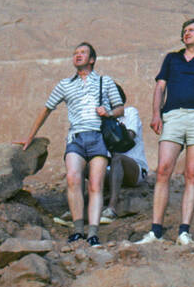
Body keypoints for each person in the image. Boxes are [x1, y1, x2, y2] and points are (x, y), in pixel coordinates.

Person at [19, 42, 124, 247]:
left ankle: (93, 233)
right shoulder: (65, 84)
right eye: (75, 53)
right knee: (73, 178)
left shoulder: (105, 81)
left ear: (92, 59)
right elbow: (47, 109)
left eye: (83, 53)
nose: (78, 55)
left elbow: (120, 108)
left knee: (95, 184)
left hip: (98, 137)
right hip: (76, 137)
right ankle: (77, 230)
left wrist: (108, 112)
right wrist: (30, 136)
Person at [136, 19, 194, 246]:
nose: (187, 33)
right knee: (163, 169)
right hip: (172, 115)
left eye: (191, 30)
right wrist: (156, 114)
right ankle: (155, 231)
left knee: (191, 173)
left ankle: (184, 231)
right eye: (184, 31)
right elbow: (160, 87)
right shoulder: (172, 58)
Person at [101, 83, 149, 220]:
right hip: (112, 169)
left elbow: (128, 140)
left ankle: (111, 208)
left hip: (135, 168)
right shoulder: (104, 121)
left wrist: (111, 128)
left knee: (118, 158)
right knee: (86, 164)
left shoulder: (130, 113)